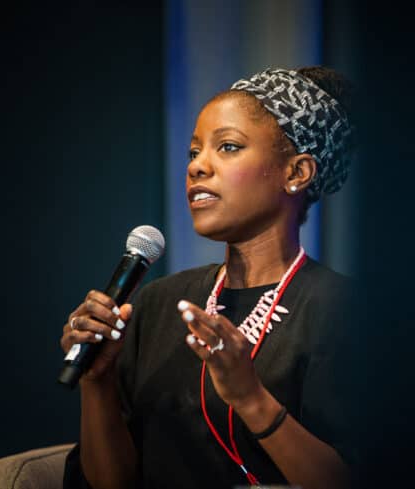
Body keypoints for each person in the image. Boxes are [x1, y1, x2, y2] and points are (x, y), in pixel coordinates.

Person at [60, 66, 358, 489]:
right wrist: (98, 382)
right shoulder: (157, 303)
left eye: (229, 147)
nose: (198, 166)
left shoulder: (344, 311)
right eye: (193, 152)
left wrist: (251, 398)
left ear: (296, 173)